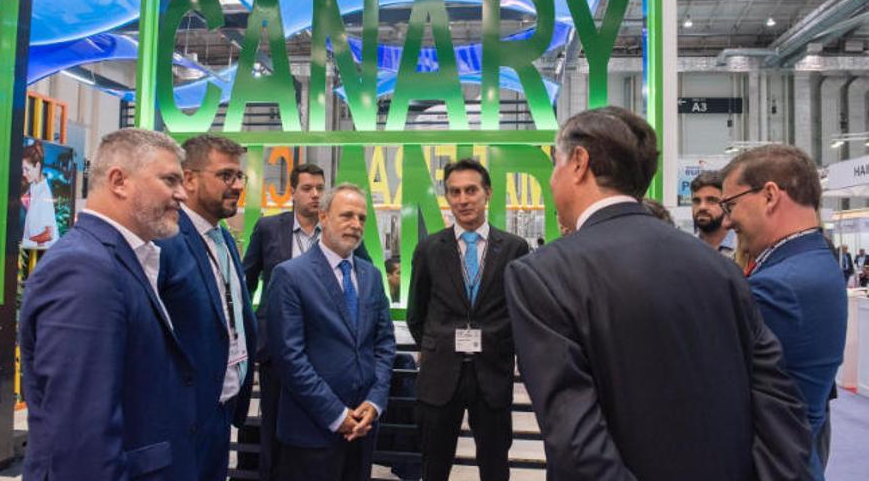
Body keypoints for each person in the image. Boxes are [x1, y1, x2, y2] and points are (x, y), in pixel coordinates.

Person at [505, 107, 812, 480]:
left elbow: (577, 443)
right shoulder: (722, 269)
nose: (552, 181)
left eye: (556, 165)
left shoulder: (542, 276)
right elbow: (780, 402)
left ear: (579, 164)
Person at [19, 128, 198, 480]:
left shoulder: (120, 259)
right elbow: (80, 435)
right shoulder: (84, 269)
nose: (182, 195)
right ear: (119, 181)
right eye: (170, 180)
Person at [721, 144, 847, 480]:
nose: (728, 219)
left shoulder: (781, 285)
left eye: (731, 204)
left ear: (770, 195)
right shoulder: (811, 260)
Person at [407, 159, 530, 481]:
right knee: (433, 467)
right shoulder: (429, 249)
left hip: (492, 375)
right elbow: (416, 314)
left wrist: (504, 349)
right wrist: (436, 347)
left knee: (495, 467)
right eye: (454, 192)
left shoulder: (515, 249)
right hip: (439, 377)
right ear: (447, 197)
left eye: (471, 190)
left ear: (487, 193)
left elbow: (521, 312)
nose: (463, 199)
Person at [266, 184, 396, 481]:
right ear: (323, 217)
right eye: (347, 215)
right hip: (311, 431)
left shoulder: (371, 275)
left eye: (362, 218)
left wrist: (374, 402)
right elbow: (290, 358)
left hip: (362, 428)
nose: (356, 225)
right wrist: (337, 415)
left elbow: (385, 344)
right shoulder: (290, 275)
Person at [156, 135, 258, 481]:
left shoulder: (222, 236)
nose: (237, 186)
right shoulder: (165, 240)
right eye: (226, 176)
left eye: (240, 177)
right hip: (182, 417)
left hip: (220, 407)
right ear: (189, 179)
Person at [21, 140, 59, 249]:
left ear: (37, 166)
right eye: (22, 169)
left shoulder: (44, 194)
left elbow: (49, 234)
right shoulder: (34, 186)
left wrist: (27, 242)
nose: (24, 173)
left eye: (26, 169)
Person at [690, 170, 736, 257]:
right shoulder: (686, 248)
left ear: (727, 204)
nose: (702, 207)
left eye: (711, 200)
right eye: (696, 201)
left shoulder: (744, 247)